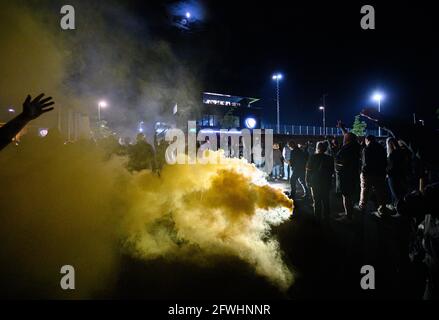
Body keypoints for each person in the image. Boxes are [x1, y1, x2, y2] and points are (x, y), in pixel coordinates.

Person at [335, 121, 361, 220]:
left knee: (346, 195)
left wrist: (338, 165)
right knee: (349, 194)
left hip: (346, 175)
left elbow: (344, 162)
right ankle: (348, 212)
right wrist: (342, 127)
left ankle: (348, 215)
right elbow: (347, 134)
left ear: (348, 139)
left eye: (345, 137)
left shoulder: (347, 149)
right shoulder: (355, 146)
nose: (343, 137)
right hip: (352, 174)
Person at [359, 135, 388, 215]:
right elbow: (385, 162)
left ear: (367, 140)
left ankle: (362, 207)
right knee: (380, 192)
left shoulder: (366, 149)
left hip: (368, 174)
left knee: (365, 191)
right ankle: (382, 209)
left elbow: (365, 163)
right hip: (380, 173)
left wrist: (363, 173)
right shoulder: (381, 148)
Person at [306, 141, 334, 222]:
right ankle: (326, 217)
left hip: (315, 181)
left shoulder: (312, 157)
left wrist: (307, 180)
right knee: (326, 200)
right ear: (325, 149)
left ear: (317, 148)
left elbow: (308, 170)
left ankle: (317, 217)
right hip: (326, 182)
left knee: (317, 200)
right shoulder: (330, 158)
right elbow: (332, 171)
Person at [387, 137, 409, 207]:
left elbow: (391, 166)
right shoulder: (402, 151)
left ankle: (399, 209)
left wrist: (387, 171)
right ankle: (396, 207)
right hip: (402, 174)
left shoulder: (392, 153)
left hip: (393, 175)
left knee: (395, 193)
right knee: (399, 192)